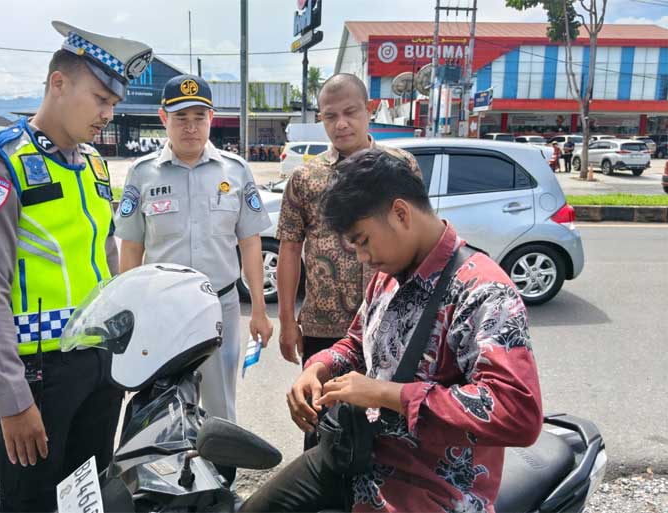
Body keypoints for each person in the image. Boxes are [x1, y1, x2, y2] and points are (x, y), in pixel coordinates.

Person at [242, 149, 543, 513]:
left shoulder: (482, 292)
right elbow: (357, 342)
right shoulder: (387, 276)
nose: (362, 258)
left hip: (428, 485)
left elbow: (518, 414)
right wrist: (318, 368)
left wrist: (388, 394)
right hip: (356, 456)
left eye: (363, 241)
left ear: (401, 214)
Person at [0, 21, 152, 512]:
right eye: (100, 98)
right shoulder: (2, 164)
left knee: (87, 497)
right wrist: (11, 398)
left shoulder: (93, 165)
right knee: (33, 502)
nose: (108, 114)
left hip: (98, 368)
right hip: (37, 378)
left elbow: (105, 260)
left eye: (113, 103)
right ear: (58, 84)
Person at [115, 74, 273, 424]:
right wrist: (130, 314)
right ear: (163, 119)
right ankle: (171, 473)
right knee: (164, 401)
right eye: (180, 118)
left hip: (220, 305)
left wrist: (259, 309)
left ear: (211, 119)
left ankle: (223, 473)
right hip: (163, 309)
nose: (191, 128)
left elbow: (250, 243)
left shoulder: (235, 170)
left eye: (199, 118)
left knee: (220, 403)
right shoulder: (143, 175)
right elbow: (131, 249)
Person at [276, 74, 421, 448]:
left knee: (386, 424)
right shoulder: (305, 177)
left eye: (350, 112)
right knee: (320, 422)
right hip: (325, 326)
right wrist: (288, 321)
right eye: (330, 116)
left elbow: (420, 237)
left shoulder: (401, 168)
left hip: (393, 320)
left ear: (369, 111)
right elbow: (290, 248)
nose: (341, 124)